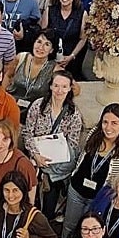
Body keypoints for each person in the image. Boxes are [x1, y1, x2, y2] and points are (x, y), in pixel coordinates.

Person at [61, 103, 119, 238]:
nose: (108, 127)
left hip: (99, 198)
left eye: (114, 123)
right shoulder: (95, 134)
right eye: (105, 122)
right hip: (76, 190)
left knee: (87, 231)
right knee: (68, 226)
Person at [22, 70, 83, 221]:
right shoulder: (38, 106)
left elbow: (73, 144)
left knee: (48, 206)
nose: (59, 91)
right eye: (56, 86)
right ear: (50, 86)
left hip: (56, 167)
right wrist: (36, 155)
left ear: (69, 89)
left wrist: (53, 159)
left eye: (64, 87)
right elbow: (27, 133)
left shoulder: (73, 114)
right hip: (34, 159)